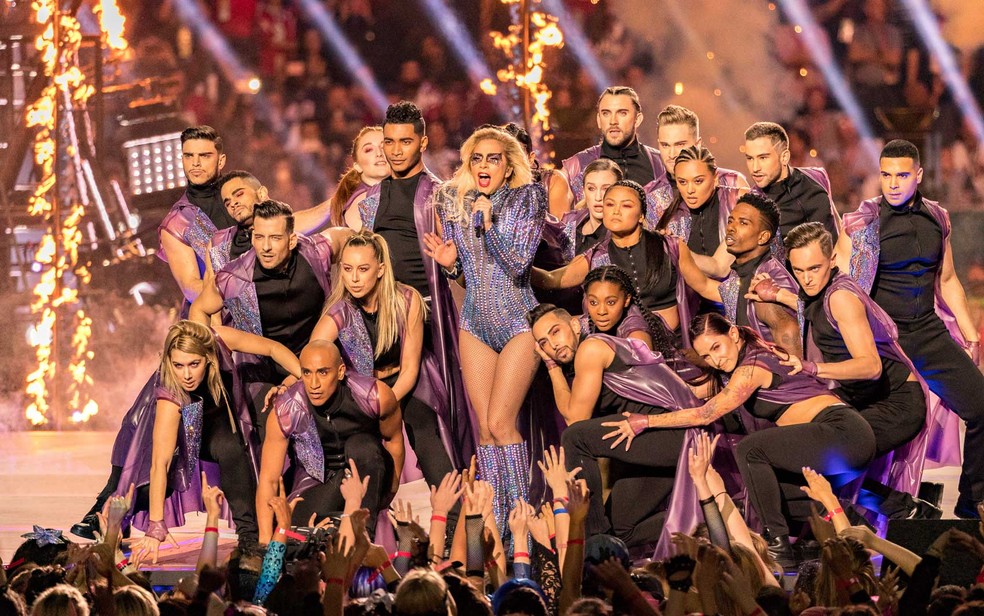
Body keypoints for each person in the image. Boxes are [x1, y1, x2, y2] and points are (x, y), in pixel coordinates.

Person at [601, 312, 876, 566]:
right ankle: (858, 526)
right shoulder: (748, 359)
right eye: (706, 356)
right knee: (770, 490)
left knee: (750, 450)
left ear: (733, 334)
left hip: (843, 432)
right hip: (836, 440)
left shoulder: (751, 366)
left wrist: (646, 421)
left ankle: (778, 545)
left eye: (716, 347)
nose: (715, 360)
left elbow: (707, 413)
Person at [835, 139, 984, 519]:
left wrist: (969, 331)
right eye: (886, 175)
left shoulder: (938, 218)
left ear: (918, 176)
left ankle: (971, 501)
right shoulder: (865, 222)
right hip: (884, 339)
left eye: (902, 175)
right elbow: (846, 287)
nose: (894, 184)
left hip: (927, 331)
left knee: (981, 405)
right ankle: (867, 506)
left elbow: (947, 278)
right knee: (876, 425)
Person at [751, 221, 938, 520]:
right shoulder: (814, 292)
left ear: (833, 261)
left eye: (814, 268)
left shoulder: (841, 297)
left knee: (827, 468)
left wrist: (812, 368)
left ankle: (893, 518)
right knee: (818, 471)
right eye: (798, 271)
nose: (807, 278)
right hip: (863, 401)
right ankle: (908, 509)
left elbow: (871, 366)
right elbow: (805, 301)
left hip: (897, 403)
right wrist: (774, 294)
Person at [423, 126, 546, 538]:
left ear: (509, 165)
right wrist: (450, 264)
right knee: (483, 429)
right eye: (476, 158)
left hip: (517, 320)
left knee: (501, 422)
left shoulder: (528, 198)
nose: (483, 166)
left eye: (493, 158)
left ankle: (520, 523)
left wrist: (489, 224)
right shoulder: (458, 204)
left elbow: (516, 265)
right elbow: (468, 275)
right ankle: (495, 529)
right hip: (474, 321)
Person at [122, 319, 303, 565]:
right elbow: (160, 464)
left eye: (193, 364)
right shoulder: (170, 394)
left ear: (208, 357)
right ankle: (112, 521)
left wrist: (304, 376)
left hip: (219, 423)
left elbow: (272, 348)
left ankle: (248, 537)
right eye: (178, 365)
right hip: (184, 435)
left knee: (231, 449)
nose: (186, 374)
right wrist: (156, 525)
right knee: (136, 487)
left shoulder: (217, 340)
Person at [354, 101, 471, 459]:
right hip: (378, 324)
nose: (394, 150)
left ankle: (455, 503)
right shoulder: (369, 201)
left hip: (428, 319)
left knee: (429, 421)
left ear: (421, 143)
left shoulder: (441, 197)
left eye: (404, 141)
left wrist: (453, 267)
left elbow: (469, 273)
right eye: (389, 142)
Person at [528, 303, 699, 547]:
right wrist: (552, 366)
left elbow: (574, 421)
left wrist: (553, 367)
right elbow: (571, 411)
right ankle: (706, 523)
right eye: (543, 342)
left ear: (575, 325)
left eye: (555, 332)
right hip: (656, 443)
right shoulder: (575, 363)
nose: (552, 345)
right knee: (622, 528)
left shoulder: (590, 348)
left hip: (676, 433)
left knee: (574, 438)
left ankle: (593, 538)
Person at [309, 230, 457, 502]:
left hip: (404, 384)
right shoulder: (338, 312)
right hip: (361, 394)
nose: (354, 278)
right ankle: (365, 514)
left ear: (380, 269)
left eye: (363, 269)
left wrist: (386, 404)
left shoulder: (407, 299)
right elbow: (312, 357)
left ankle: (453, 515)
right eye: (348, 269)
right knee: (363, 448)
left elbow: (411, 368)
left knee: (424, 430)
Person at [214, 200, 349, 435]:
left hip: (318, 362)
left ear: (292, 239)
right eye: (259, 237)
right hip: (264, 372)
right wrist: (215, 348)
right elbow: (201, 309)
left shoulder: (316, 252)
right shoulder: (234, 277)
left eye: (275, 238)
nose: (265, 247)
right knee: (273, 424)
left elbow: (349, 238)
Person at [255, 340, 403, 542]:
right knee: (294, 537)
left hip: (366, 468)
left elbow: (393, 442)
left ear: (340, 371)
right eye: (307, 373)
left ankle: (363, 538)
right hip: (319, 480)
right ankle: (334, 528)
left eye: (323, 373)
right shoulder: (287, 408)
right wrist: (264, 542)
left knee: (362, 446)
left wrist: (386, 498)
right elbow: (268, 480)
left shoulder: (373, 395)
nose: (314, 384)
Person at [534, 181, 687, 342]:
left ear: (642, 215)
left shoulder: (669, 246)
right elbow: (551, 279)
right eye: (609, 205)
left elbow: (704, 284)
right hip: (622, 345)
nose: (616, 211)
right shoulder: (596, 256)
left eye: (626, 206)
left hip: (673, 343)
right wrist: (514, 264)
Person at [674, 193, 803, 356]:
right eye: (730, 221)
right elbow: (705, 285)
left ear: (763, 237)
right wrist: (676, 247)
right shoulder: (745, 272)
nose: (731, 228)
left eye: (743, 223)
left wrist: (794, 380)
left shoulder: (767, 280)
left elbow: (789, 332)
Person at [553, 86, 672, 222]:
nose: (613, 121)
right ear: (598, 120)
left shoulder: (661, 164)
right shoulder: (576, 167)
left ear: (637, 119)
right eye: (606, 113)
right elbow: (559, 231)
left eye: (622, 113)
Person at [159, 125, 238, 303]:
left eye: (204, 156)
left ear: (221, 160)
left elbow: (281, 226)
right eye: (189, 156)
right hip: (218, 321)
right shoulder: (177, 222)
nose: (195, 163)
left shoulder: (243, 194)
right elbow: (191, 288)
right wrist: (244, 285)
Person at [534, 159, 622, 313]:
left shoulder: (621, 235)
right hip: (558, 310)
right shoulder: (567, 223)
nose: (598, 197)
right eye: (591, 188)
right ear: (583, 191)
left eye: (606, 189)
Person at [743, 121, 840, 241]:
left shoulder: (817, 177)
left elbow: (837, 226)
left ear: (784, 157)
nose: (755, 168)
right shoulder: (752, 204)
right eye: (750, 158)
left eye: (763, 158)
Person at [294, 126, 391, 233]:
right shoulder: (362, 201)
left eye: (384, 147)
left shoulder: (401, 191)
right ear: (357, 166)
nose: (379, 153)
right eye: (368, 150)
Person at [208, 170, 264, 273]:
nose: (233, 203)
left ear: (262, 193)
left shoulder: (292, 225)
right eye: (228, 203)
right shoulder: (219, 243)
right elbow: (210, 286)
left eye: (239, 194)